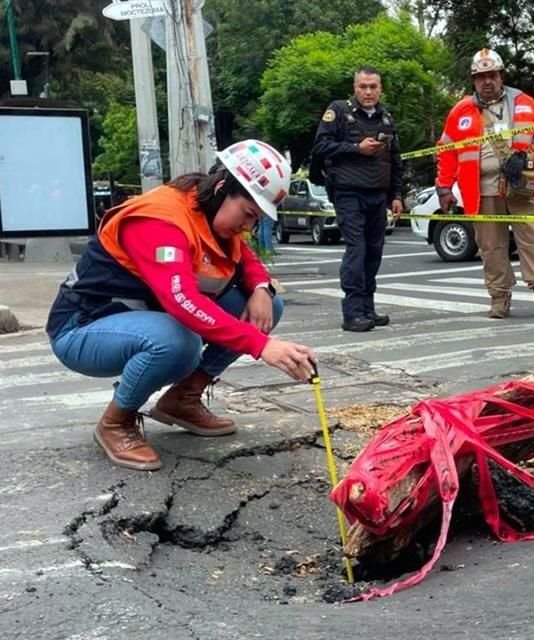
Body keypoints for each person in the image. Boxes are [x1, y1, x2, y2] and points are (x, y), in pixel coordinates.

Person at [45, 140, 318, 471]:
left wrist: (261, 288)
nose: (248, 227)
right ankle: (117, 422)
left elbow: (244, 258)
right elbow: (182, 300)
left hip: (139, 319)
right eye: (249, 214)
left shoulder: (207, 210)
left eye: (256, 219)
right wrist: (261, 345)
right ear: (221, 187)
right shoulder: (160, 221)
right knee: (178, 343)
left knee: (268, 306)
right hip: (82, 327)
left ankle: (182, 399)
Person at [435, 48, 534, 319]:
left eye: (491, 75)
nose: (487, 81)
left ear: (501, 76)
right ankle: (499, 298)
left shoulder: (524, 102)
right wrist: (444, 187)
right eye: (481, 77)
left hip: (522, 185)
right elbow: (446, 151)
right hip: (480, 190)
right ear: (473, 80)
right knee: (491, 246)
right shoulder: (461, 111)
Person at [312, 66, 404, 332]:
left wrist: (396, 195)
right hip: (348, 193)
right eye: (363, 86)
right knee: (357, 250)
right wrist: (356, 148)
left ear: (380, 89)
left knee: (373, 252)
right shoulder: (339, 111)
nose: (368, 92)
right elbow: (320, 146)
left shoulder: (385, 118)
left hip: (378, 194)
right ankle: (352, 313)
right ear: (354, 88)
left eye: (373, 86)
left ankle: (367, 308)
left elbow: (394, 159)